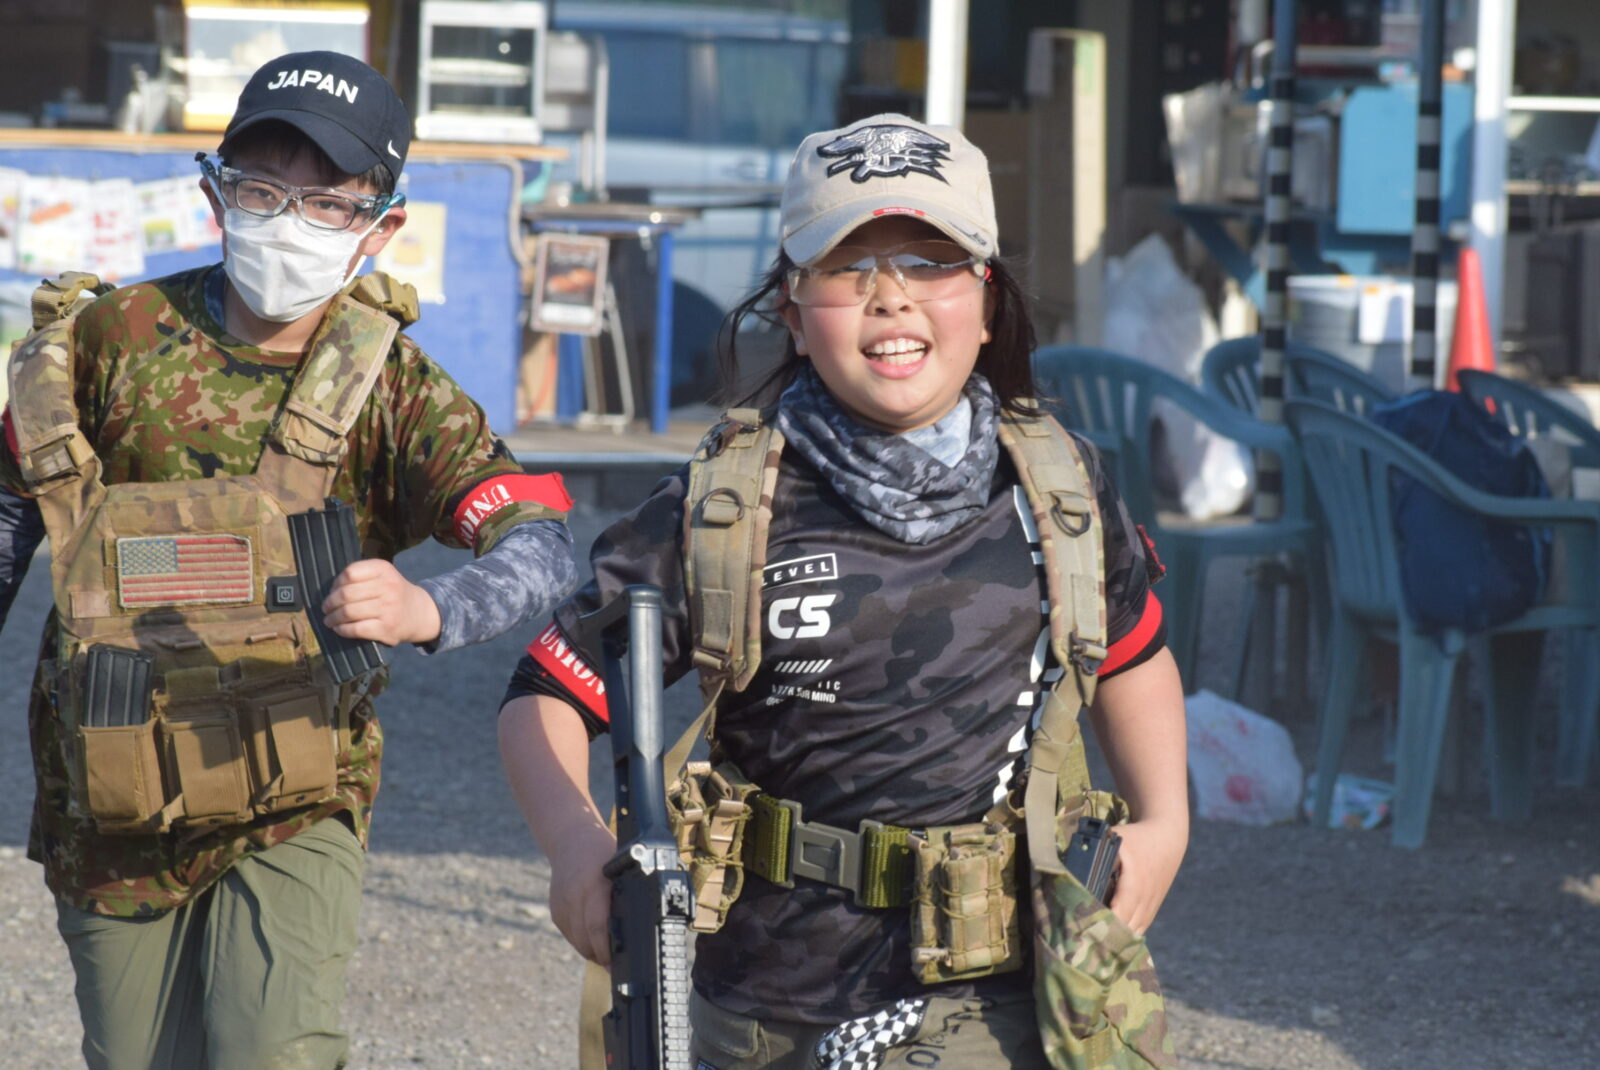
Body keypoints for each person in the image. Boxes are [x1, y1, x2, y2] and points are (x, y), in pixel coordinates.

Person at [498, 113, 1187, 1068]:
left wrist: (1165, 821)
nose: (891, 297)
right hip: (764, 1004)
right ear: (791, 309)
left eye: (931, 264)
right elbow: (547, 691)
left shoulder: (1058, 489)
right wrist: (578, 849)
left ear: (988, 300)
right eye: (846, 267)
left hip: (998, 998)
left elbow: (1132, 652)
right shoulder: (720, 509)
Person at [0, 51, 578, 1069]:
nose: (289, 221)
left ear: (380, 225)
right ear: (215, 193)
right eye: (263, 190)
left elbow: (540, 538)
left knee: (274, 1048)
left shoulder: (392, 386)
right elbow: (11, 509)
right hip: (110, 794)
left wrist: (431, 608)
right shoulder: (106, 342)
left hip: (297, 793)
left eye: (328, 201)